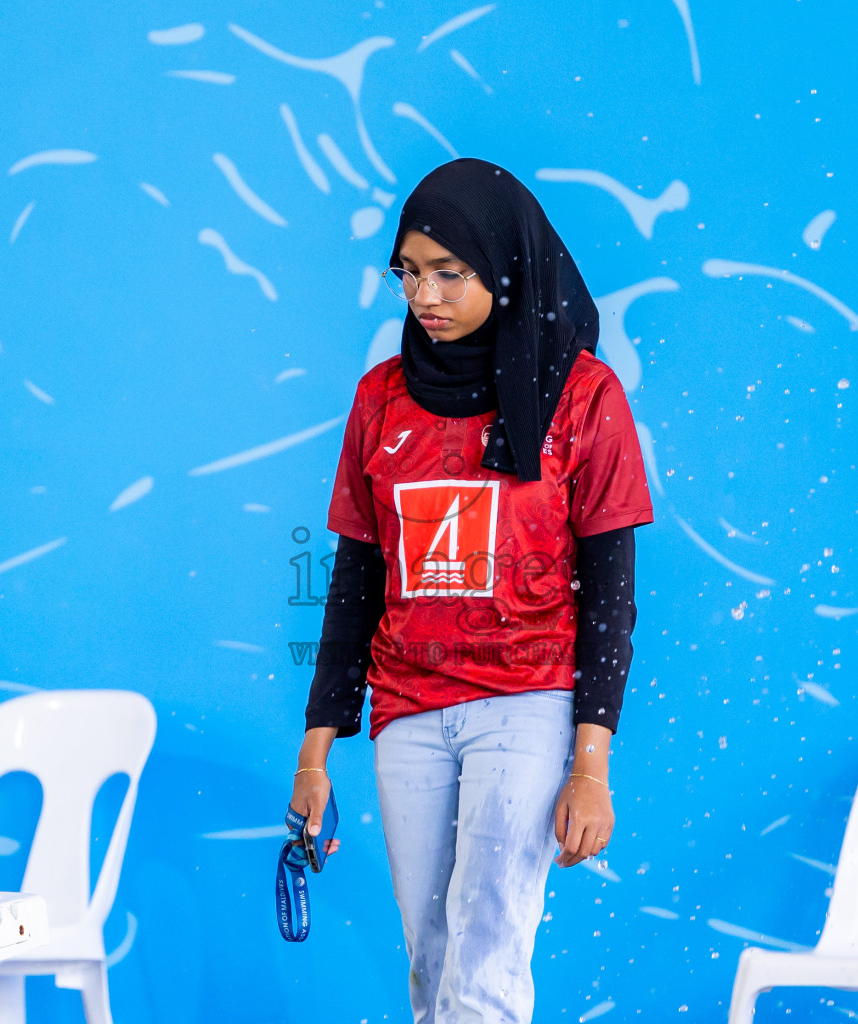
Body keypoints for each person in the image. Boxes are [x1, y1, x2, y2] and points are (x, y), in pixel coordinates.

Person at [289, 158, 653, 1023]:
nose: (425, 294)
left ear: (506, 267)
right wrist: (315, 753)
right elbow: (355, 580)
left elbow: (610, 593)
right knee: (433, 962)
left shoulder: (582, 397)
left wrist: (590, 766)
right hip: (408, 710)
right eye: (409, 272)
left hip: (527, 701)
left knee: (487, 953)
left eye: (449, 272)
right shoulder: (381, 400)